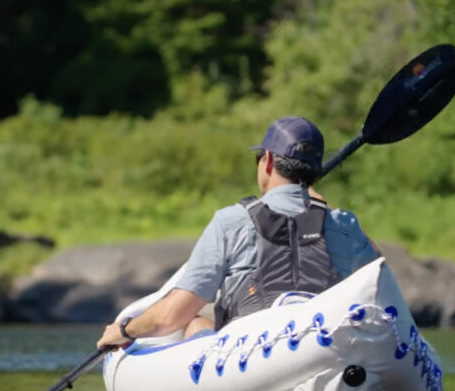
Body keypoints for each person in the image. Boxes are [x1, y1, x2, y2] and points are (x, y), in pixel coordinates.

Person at [97, 116, 379, 349]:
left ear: (267, 161)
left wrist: (125, 329)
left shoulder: (231, 221)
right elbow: (380, 284)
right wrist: (321, 203)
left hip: (250, 354)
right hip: (326, 350)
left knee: (196, 322)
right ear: (315, 173)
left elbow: (171, 316)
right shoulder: (345, 224)